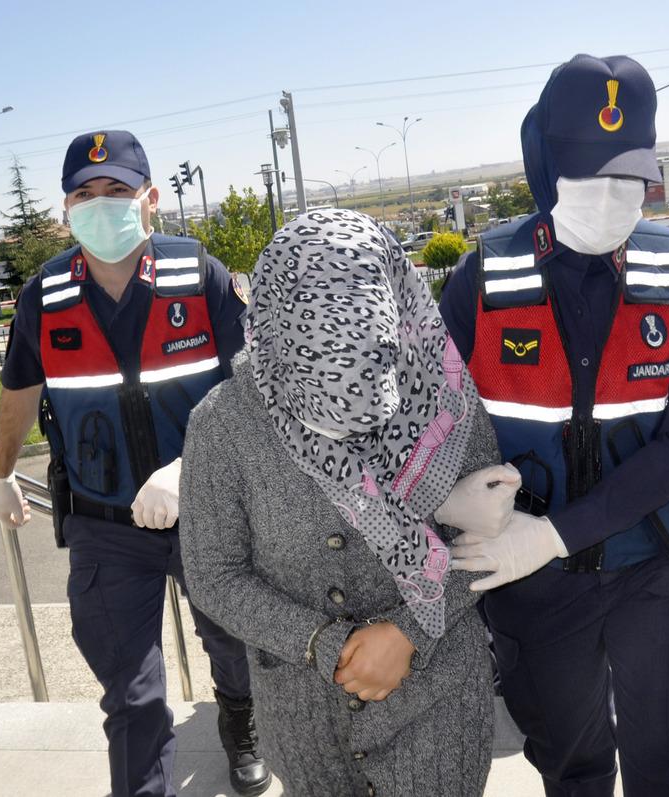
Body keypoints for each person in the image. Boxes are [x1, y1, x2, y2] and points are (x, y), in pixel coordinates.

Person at [440, 54, 669, 795]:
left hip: (659, 569)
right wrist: (449, 498)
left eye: (628, 175)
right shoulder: (479, 282)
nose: (611, 195)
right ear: (544, 165)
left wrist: (552, 532)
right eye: (588, 173)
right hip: (534, 585)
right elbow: (425, 420)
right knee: (571, 768)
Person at [179, 208, 518, 797]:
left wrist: (408, 632)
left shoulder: (443, 402)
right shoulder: (223, 425)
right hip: (304, 715)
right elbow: (215, 575)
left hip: (437, 697)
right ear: (281, 316)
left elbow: (488, 536)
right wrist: (325, 642)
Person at [0, 130, 270, 797]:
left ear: (149, 201)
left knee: (234, 645)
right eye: (85, 194)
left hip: (210, 512)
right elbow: (17, 395)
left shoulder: (199, 275)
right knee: (132, 696)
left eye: (117, 190)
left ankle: (240, 718)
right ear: (66, 211)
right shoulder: (43, 297)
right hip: (104, 524)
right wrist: (1, 473)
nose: (101, 205)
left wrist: (188, 470)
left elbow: (255, 394)